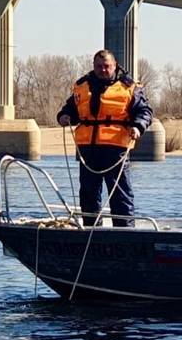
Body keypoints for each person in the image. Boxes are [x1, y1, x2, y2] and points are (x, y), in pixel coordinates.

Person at [57, 50, 153, 227]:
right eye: (99, 66)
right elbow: (70, 109)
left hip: (116, 148)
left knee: (120, 193)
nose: (103, 70)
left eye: (106, 66)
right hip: (88, 149)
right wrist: (63, 116)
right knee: (88, 193)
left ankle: (124, 231)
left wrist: (138, 126)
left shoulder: (129, 87)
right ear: (94, 67)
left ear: (114, 66)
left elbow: (145, 112)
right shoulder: (82, 86)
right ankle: (91, 229)